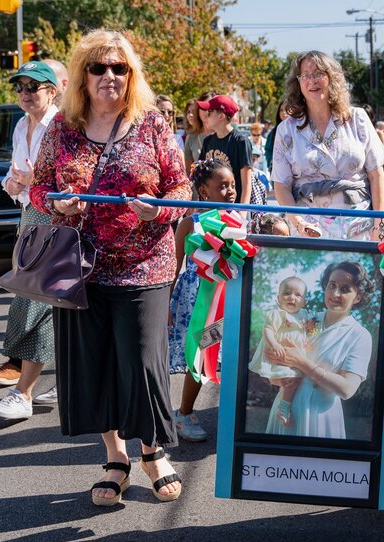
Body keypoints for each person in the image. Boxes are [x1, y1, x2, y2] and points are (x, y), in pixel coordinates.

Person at [30, 29, 191, 506]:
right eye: (99, 68)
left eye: (119, 68)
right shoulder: (61, 127)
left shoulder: (153, 124)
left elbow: (181, 187)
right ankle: (115, 458)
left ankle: (153, 451)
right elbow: (39, 188)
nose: (109, 76)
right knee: (94, 362)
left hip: (144, 265)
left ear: (131, 75)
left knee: (141, 361)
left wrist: (157, 210)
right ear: (83, 75)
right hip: (79, 266)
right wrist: (59, 205)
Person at [0, 61, 61, 419]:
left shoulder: (61, 126)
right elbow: (17, 175)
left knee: (35, 301)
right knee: (49, 303)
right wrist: (13, 185)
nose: (25, 93)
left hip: (56, 218)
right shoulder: (20, 125)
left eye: (34, 86)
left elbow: (71, 176)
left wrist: (33, 181)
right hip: (30, 217)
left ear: (53, 90)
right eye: (20, 87)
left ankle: (22, 391)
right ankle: (67, 381)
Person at [272, 50, 384, 240]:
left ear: (331, 78)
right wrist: (299, 223)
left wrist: (379, 226)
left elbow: (377, 177)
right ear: (298, 83)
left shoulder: (357, 119)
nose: (312, 81)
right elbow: (281, 186)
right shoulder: (286, 130)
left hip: (359, 226)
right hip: (308, 231)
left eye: (319, 73)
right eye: (306, 76)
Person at [263, 261, 375, 438]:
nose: (335, 294)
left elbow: (347, 389)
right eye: (332, 285)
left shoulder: (359, 335)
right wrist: (276, 376)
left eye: (345, 289)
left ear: (358, 296)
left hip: (321, 416)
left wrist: (301, 362)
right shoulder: (309, 321)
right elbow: (275, 366)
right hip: (286, 409)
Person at [169, 159, 237, 442]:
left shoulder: (239, 220)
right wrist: (165, 303)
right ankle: (184, 412)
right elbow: (173, 266)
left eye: (232, 184)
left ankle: (236, 415)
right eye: (222, 186)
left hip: (230, 298)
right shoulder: (189, 224)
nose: (230, 191)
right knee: (201, 354)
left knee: (229, 356)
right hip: (199, 301)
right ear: (204, 191)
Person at [249, 276, 309, 427]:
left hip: (293, 354)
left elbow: (307, 332)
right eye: (287, 293)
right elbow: (268, 329)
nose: (292, 297)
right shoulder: (278, 313)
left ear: (304, 301)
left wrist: (305, 342)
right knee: (291, 378)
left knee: (292, 380)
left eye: (297, 295)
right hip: (279, 352)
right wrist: (274, 344)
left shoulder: (304, 316)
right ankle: (284, 408)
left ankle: (283, 406)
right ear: (278, 298)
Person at [196, 94, 253, 205]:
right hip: (211, 208)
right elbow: (199, 176)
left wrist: (242, 213)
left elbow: (247, 185)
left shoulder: (240, 142)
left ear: (221, 116)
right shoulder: (208, 141)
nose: (206, 116)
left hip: (233, 209)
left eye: (209, 112)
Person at [182, 95, 211, 175]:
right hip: (199, 186)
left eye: (210, 107)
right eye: (203, 108)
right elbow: (189, 171)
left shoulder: (222, 134)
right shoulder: (191, 137)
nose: (207, 111)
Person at [264, 102, 287, 180]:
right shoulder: (274, 132)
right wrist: (272, 161)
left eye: (287, 109)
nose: (284, 113)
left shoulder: (298, 130)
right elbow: (268, 150)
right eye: (281, 110)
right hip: (278, 173)